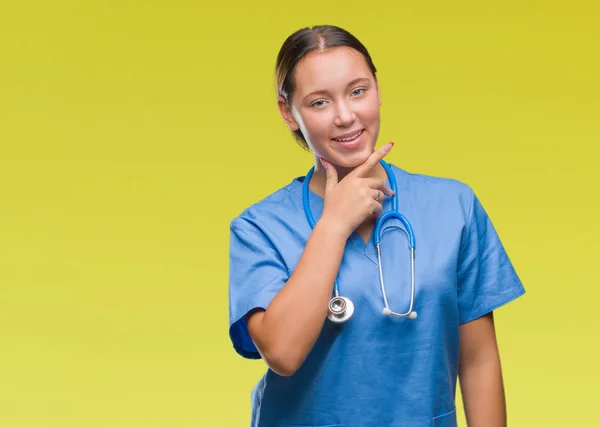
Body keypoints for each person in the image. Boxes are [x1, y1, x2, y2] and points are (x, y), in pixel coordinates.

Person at [227, 25, 525, 427]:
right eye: (318, 102)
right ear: (289, 113)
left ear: (378, 90)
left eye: (358, 91)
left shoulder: (453, 206)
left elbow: (477, 360)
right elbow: (282, 353)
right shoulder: (259, 227)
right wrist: (333, 225)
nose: (346, 116)